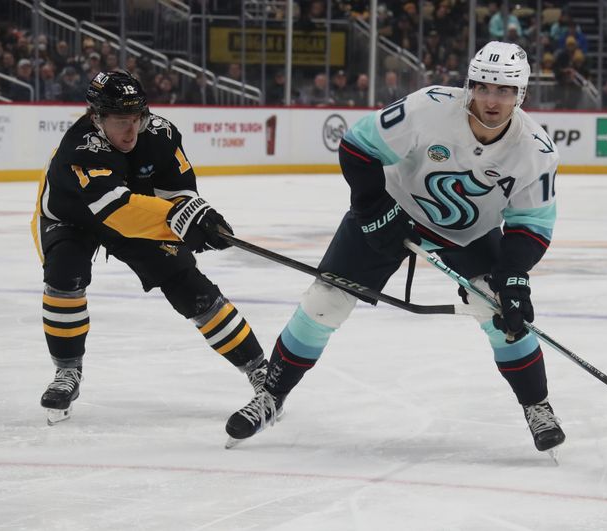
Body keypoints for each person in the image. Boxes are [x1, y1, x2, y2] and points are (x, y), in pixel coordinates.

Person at [225, 42, 566, 454]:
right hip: (393, 207)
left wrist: (514, 278)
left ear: (521, 95)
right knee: (324, 302)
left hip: (470, 233)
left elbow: (531, 225)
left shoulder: (536, 150)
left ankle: (538, 406)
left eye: (504, 91)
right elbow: (357, 147)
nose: (492, 100)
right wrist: (373, 210)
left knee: (503, 314)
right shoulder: (430, 107)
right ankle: (271, 396)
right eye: (484, 87)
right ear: (469, 85)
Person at [30, 71, 269, 426]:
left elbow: (179, 191)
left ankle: (261, 372)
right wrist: (180, 219)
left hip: (135, 210)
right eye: (121, 121)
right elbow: (118, 212)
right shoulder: (79, 147)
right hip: (73, 216)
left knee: (189, 287)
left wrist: (197, 216)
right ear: (96, 118)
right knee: (65, 275)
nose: (132, 130)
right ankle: (67, 371)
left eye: (138, 119)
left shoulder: (160, 133)